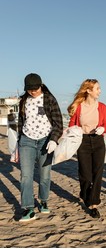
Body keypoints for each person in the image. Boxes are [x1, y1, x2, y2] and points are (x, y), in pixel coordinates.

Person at [18, 73, 63, 222]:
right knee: (26, 176)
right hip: (26, 141)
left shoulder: (49, 99)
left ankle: (43, 200)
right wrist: (16, 144)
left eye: (35, 89)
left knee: (44, 176)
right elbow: (20, 123)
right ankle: (28, 209)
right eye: (29, 89)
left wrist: (54, 140)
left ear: (41, 86)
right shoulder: (23, 100)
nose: (32, 92)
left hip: (45, 141)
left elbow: (58, 124)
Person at [68, 79, 106, 218]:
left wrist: (103, 128)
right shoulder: (78, 106)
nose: (100, 91)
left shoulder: (102, 107)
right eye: (97, 88)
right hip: (83, 141)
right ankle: (85, 194)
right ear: (88, 90)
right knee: (85, 174)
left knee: (97, 173)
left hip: (98, 141)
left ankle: (94, 205)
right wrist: (75, 133)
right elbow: (72, 125)